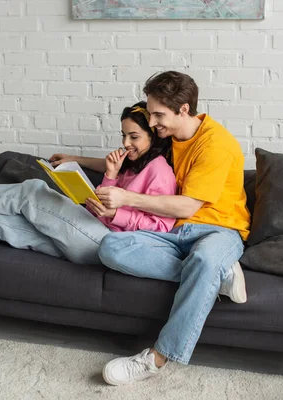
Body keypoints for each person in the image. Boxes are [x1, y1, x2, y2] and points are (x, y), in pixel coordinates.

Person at [53, 71, 251, 386]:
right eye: (152, 112)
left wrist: (126, 197)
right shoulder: (171, 136)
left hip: (218, 230)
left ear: (184, 109)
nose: (153, 121)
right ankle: (218, 273)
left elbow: (188, 206)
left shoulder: (216, 144)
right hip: (175, 235)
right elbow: (131, 158)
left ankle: (155, 358)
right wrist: (76, 159)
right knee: (111, 247)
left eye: (159, 114)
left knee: (205, 259)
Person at [0, 101, 177, 264]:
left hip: (110, 244)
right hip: (89, 232)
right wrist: (111, 174)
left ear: (154, 136)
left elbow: (163, 228)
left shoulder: (159, 170)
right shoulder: (129, 165)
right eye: (123, 136)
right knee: (4, 224)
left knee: (32, 192)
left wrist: (118, 214)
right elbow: (102, 204)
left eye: (134, 137)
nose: (126, 143)